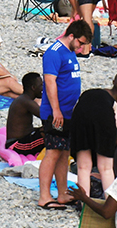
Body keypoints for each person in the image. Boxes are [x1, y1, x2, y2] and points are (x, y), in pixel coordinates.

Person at [38, 20, 92, 210]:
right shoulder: (54, 53)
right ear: (71, 36)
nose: (82, 47)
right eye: (81, 43)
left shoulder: (69, 51)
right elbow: (50, 82)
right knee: (52, 153)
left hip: (69, 113)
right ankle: (44, 196)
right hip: (56, 113)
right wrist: (56, 110)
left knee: (64, 154)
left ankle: (61, 193)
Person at [70, 88, 117, 196]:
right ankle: (109, 205)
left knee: (83, 167)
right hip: (104, 117)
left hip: (81, 115)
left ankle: (84, 204)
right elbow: (113, 127)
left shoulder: (83, 99)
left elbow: (74, 114)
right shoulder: (113, 103)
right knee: (106, 168)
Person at [5, 73, 44, 155]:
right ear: (33, 88)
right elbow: (46, 117)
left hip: (23, 138)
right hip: (16, 145)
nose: (43, 88)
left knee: (47, 130)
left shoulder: (23, 99)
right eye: (41, 85)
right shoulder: (26, 102)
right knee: (52, 135)